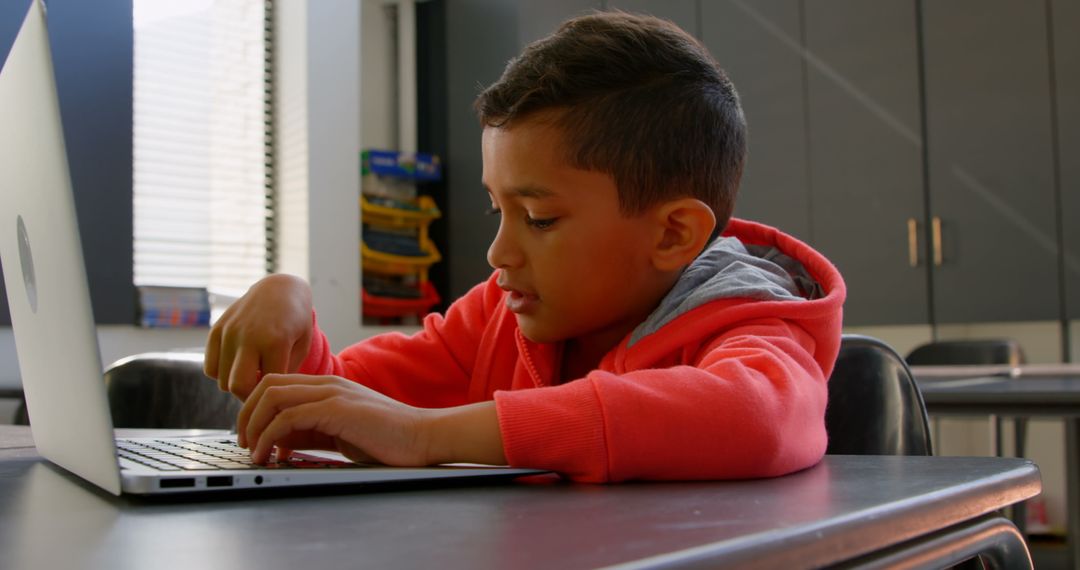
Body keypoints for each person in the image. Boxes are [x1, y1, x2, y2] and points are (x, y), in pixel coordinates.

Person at [203, 11, 845, 483]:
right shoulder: (495, 317)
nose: (497, 253)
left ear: (672, 233)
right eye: (497, 209)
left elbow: (758, 419)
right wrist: (286, 312)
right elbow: (344, 408)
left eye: (538, 218)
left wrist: (429, 435)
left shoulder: (750, 322)